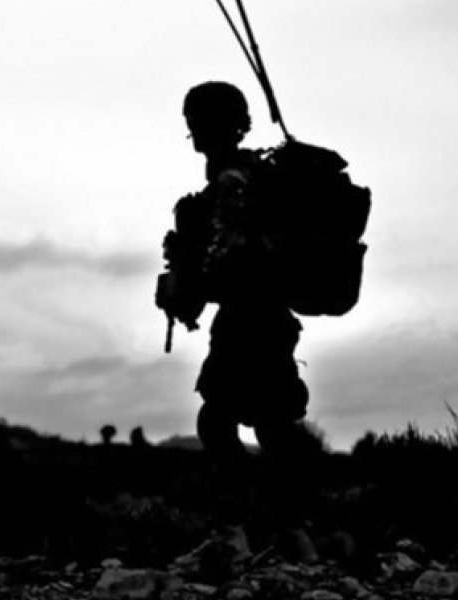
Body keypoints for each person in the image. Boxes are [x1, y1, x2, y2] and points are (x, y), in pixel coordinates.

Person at [158, 81, 325, 556]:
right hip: (263, 318)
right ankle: (290, 533)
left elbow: (232, 258)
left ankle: (238, 532)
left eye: (196, 121)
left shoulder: (233, 181)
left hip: (251, 318)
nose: (192, 131)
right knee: (271, 423)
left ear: (215, 124)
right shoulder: (241, 176)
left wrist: (187, 279)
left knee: (222, 421)